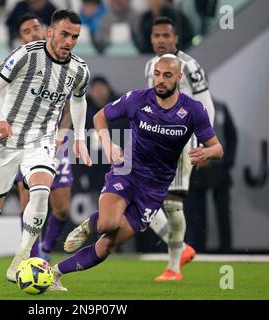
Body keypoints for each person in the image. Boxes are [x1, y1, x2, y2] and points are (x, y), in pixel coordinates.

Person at [51, 55, 223, 291]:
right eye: (157, 74)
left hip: (154, 190)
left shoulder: (193, 110)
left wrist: (208, 152)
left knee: (108, 245)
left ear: (179, 78)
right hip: (127, 171)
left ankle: (54, 274)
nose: (160, 80)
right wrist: (108, 143)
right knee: (107, 223)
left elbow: (218, 147)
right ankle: (92, 225)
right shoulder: (138, 98)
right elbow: (100, 116)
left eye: (167, 75)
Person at [0, 9, 92, 284]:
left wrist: (81, 138)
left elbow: (79, 100)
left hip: (41, 142)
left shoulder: (79, 69)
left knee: (40, 192)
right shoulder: (26, 55)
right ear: (50, 32)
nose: (69, 41)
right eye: (64, 34)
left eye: (74, 37)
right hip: (7, 140)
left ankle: (20, 259)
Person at [144, 16, 215, 281]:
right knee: (141, 198)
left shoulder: (191, 66)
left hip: (182, 143)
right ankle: (181, 249)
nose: (161, 40)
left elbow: (207, 104)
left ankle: (173, 267)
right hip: (155, 141)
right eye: (156, 36)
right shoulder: (151, 65)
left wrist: (208, 143)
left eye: (166, 35)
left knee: (172, 203)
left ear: (175, 39)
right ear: (151, 39)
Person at [12, 12, 74, 262]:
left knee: (61, 208)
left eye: (36, 28)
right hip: (25, 142)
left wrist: (63, 133)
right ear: (20, 39)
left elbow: (70, 106)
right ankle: (30, 259)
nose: (33, 33)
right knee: (28, 203)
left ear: (45, 31)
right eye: (26, 31)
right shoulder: (15, 64)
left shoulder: (62, 60)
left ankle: (46, 249)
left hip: (56, 142)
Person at [185, 98, 237, 253]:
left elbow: (231, 136)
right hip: (196, 169)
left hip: (218, 169)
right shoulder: (186, 109)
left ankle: (226, 249)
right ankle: (197, 249)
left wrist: (227, 162)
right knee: (196, 214)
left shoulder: (220, 107)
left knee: (223, 213)